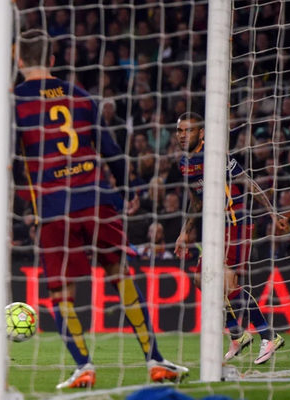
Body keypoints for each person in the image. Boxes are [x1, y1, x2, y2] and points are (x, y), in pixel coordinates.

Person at [14, 30, 187, 389]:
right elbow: (111, 149)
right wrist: (130, 191)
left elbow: (13, 162)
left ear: (18, 59)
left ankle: (84, 366)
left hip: (53, 206)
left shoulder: (14, 102)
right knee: (120, 274)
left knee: (62, 293)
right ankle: (155, 361)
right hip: (95, 199)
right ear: (51, 60)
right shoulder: (80, 95)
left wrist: (20, 207)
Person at [174, 112, 286, 365]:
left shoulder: (215, 157)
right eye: (180, 131)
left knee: (226, 281)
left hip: (236, 222)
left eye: (188, 130)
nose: (183, 135)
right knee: (200, 278)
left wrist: (273, 212)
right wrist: (185, 231)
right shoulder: (184, 163)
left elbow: (249, 184)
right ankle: (238, 335)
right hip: (214, 226)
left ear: (201, 133)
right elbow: (196, 201)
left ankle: (269, 336)